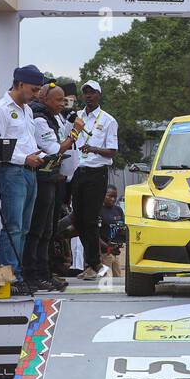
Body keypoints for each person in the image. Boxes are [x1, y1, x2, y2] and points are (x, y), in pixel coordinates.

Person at [0, 66, 47, 285]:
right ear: (19, 84)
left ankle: (16, 274)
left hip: (30, 172)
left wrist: (39, 155)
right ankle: (10, 277)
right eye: (34, 89)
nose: (37, 94)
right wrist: (24, 159)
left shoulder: (27, 109)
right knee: (13, 227)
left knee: (24, 228)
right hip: (12, 172)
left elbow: (26, 141)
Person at [23, 84, 82, 290]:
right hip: (42, 178)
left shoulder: (53, 116)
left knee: (48, 230)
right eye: (58, 100)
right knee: (38, 229)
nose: (62, 104)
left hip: (53, 178)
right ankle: (34, 274)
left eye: (64, 101)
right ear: (46, 100)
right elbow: (55, 148)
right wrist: (75, 132)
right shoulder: (40, 118)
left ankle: (46, 273)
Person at [69, 79, 119, 281]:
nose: (88, 96)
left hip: (97, 172)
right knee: (78, 219)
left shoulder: (108, 120)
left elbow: (112, 151)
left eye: (92, 93)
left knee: (90, 219)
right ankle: (92, 263)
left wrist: (93, 149)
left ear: (99, 95)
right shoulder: (77, 117)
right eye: (86, 93)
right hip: (78, 171)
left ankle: (93, 264)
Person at [99, 186, 126, 276]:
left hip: (115, 252)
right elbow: (94, 235)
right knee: (104, 278)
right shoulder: (98, 210)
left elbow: (122, 228)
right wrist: (108, 248)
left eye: (115, 196)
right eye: (110, 196)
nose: (113, 199)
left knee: (118, 278)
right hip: (103, 253)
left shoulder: (118, 210)